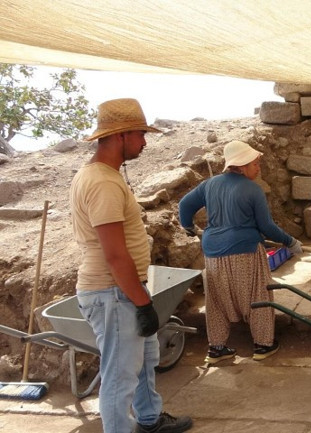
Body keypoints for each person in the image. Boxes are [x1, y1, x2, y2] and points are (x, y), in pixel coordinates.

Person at [70, 98, 193, 433]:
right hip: (114, 292)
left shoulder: (101, 176)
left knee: (143, 362)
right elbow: (114, 255)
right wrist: (141, 302)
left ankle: (149, 419)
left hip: (122, 289)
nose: (144, 141)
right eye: (140, 133)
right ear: (121, 135)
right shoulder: (103, 183)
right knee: (119, 378)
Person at [178, 140, 302, 364]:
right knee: (257, 295)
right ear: (242, 166)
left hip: (213, 253)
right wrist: (290, 241)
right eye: (255, 164)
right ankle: (263, 345)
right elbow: (266, 227)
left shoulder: (210, 185)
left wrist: (188, 227)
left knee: (216, 301)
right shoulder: (253, 189)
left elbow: (184, 206)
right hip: (244, 251)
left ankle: (216, 349)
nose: (259, 168)